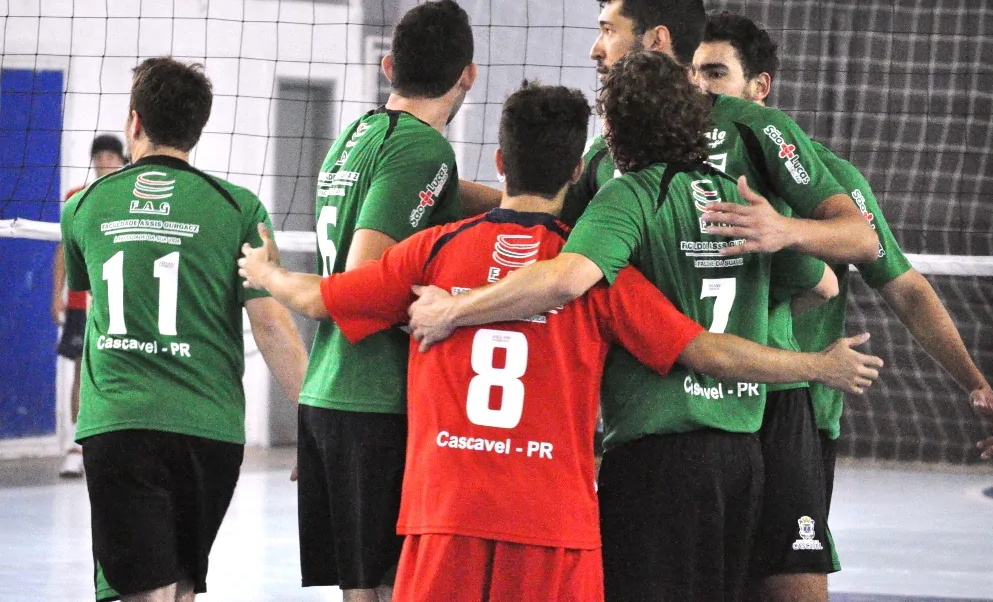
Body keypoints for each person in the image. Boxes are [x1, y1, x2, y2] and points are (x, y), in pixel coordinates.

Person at [238, 79, 882, 602]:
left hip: (448, 508)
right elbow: (731, 334)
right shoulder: (612, 278)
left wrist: (267, 274)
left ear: (498, 160)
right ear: (578, 170)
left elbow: (324, 297)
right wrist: (815, 361)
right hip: (559, 517)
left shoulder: (437, 251)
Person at [407, 0, 876, 602]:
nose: (597, 48)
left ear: (614, 129)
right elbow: (819, 283)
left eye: (606, 32)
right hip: (743, 449)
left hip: (660, 454)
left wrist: (455, 308)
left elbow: (569, 276)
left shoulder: (630, 193)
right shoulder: (731, 195)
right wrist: (802, 345)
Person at [693, 9, 993, 602]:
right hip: (705, 409)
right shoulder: (672, 175)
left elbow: (904, 286)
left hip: (797, 416)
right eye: (691, 73)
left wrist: (975, 382)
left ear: (759, 88)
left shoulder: (829, 181)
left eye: (715, 73)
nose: (700, 88)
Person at [60, 57, 307, 602]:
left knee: (144, 593)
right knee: (180, 590)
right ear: (198, 128)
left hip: (121, 424)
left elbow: (91, 294)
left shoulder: (83, 206)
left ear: (134, 123)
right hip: (210, 431)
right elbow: (271, 324)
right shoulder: (240, 209)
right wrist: (319, 425)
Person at [296, 0, 475, 602]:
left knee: (361, 588)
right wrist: (455, 310)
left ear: (387, 65)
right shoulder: (426, 150)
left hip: (327, 392)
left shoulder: (358, 135)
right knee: (392, 587)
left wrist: (527, 200)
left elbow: (413, 189)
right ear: (468, 75)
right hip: (379, 401)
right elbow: (364, 278)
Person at [52, 134, 126, 477]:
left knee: (124, 371)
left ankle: (118, 444)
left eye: (111, 155)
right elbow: (63, 253)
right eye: (99, 155)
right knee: (83, 371)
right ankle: (75, 448)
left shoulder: (131, 198)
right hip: (83, 302)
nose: (104, 161)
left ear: (122, 159)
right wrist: (58, 295)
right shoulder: (76, 199)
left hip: (122, 303)